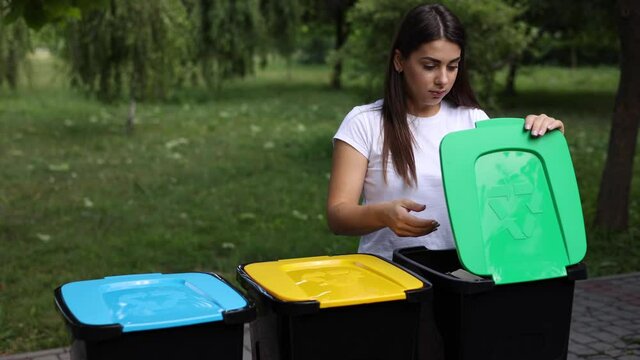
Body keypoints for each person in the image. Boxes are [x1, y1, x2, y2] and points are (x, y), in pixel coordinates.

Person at [326, 3, 565, 260]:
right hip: (391, 277)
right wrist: (382, 215)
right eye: (430, 66)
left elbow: (515, 198)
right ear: (399, 61)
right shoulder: (364, 123)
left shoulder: (473, 120)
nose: (443, 79)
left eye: (452, 66)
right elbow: (338, 216)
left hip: (465, 273)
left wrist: (542, 143)